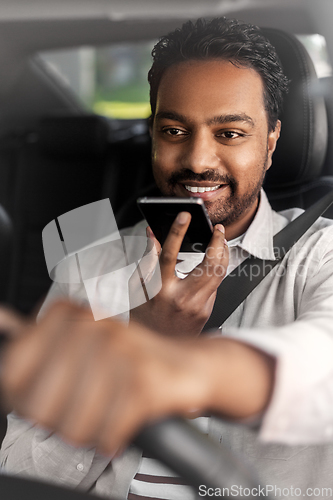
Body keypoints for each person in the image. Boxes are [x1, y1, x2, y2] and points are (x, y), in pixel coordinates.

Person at [2, 16, 333, 500]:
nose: (198, 160)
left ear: (271, 141)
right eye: (175, 130)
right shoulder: (92, 263)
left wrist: (175, 365)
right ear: (153, 134)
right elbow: (20, 471)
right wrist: (143, 339)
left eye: (230, 134)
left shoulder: (319, 253)